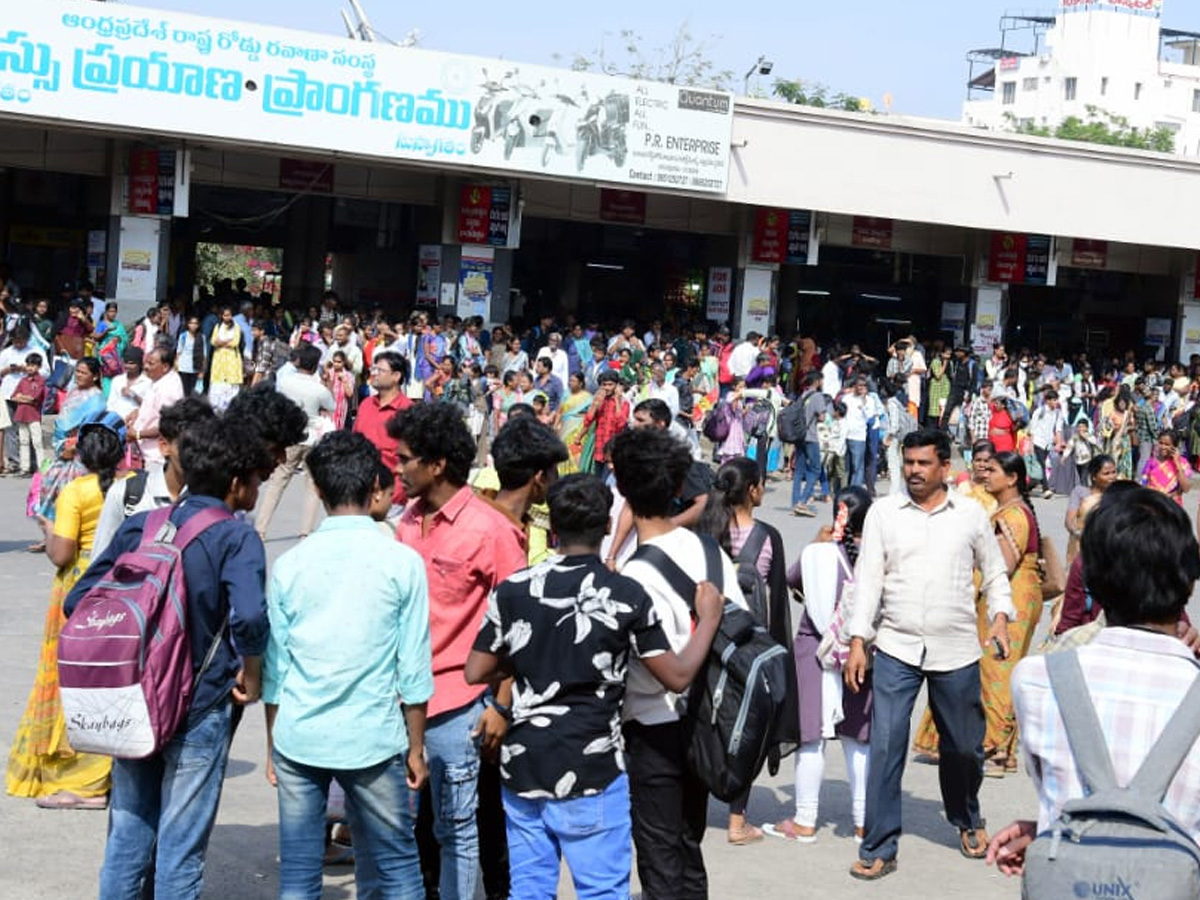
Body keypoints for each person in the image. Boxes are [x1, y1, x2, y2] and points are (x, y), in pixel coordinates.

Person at [464, 473, 723, 900]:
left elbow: (476, 670)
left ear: (552, 527)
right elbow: (677, 676)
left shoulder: (514, 590)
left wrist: (533, 655)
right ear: (606, 526)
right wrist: (709, 619)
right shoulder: (625, 594)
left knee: (528, 889)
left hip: (524, 763)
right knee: (601, 890)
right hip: (592, 766)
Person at [65, 416, 273, 900]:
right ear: (236, 482)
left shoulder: (143, 525)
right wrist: (252, 674)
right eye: (257, 480)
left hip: (133, 699)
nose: (258, 490)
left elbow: (79, 601)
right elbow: (249, 617)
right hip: (200, 702)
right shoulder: (237, 536)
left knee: (127, 834)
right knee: (181, 847)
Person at [987, 487, 1200, 876]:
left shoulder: (1037, 680)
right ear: (1190, 583)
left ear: (1092, 581)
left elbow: (1057, 788)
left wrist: (1053, 830)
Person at [263, 431, 433, 900]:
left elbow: (276, 670)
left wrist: (273, 742)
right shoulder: (402, 562)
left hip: (300, 735)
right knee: (399, 866)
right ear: (375, 486)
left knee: (298, 875)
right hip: (373, 737)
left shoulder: (291, 564)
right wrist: (416, 748)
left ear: (316, 488)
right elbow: (414, 669)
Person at [845, 428, 1015, 880]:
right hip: (895, 646)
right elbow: (868, 580)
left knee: (963, 748)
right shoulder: (884, 513)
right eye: (909, 462)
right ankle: (879, 845)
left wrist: (1000, 617)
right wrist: (858, 640)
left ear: (945, 467)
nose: (914, 471)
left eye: (924, 463)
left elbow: (994, 573)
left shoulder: (971, 514)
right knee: (886, 744)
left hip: (955, 648)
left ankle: (966, 816)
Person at [389, 402, 528, 900]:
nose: (397, 468)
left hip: (459, 706)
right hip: (400, 702)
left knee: (457, 830)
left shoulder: (491, 530)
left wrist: (500, 705)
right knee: (404, 830)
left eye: (405, 459)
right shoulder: (405, 522)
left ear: (437, 465)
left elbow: (519, 627)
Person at [612, 426, 749, 900]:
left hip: (653, 727)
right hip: (707, 721)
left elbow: (653, 667)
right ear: (677, 487)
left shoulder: (634, 575)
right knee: (688, 843)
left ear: (621, 487)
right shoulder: (711, 552)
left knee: (659, 854)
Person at [6, 410, 126, 808]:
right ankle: (113, 770)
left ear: (83, 455)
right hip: (123, 587)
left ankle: (80, 778)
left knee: (72, 677)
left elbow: (61, 554)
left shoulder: (76, 491)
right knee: (112, 676)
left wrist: (47, 530)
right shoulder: (132, 486)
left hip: (79, 587)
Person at [765, 486, 873, 843]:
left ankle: (805, 820)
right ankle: (863, 822)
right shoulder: (876, 556)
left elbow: (791, 580)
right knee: (858, 739)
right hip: (859, 653)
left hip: (814, 650)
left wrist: (816, 541)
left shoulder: (817, 553)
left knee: (812, 737)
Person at [697, 457, 795, 845]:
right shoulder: (767, 537)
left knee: (703, 719)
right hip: (748, 647)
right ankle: (737, 823)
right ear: (753, 490)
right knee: (746, 726)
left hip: (706, 642)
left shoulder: (705, 531)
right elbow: (778, 600)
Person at [91, 396, 216, 560]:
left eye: (204, 448)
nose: (196, 456)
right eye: (188, 447)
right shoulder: (126, 495)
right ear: (164, 446)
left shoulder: (213, 504)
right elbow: (100, 563)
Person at [253, 343, 334, 541]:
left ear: (298, 362)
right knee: (312, 484)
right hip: (312, 437)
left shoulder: (285, 382)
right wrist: (328, 382)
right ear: (315, 366)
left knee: (277, 482)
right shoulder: (319, 389)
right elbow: (330, 405)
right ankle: (305, 531)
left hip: (289, 436)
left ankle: (261, 528)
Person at [353, 350, 411, 517]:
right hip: (360, 493)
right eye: (374, 369)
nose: (375, 374)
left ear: (396, 376)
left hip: (392, 498)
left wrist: (399, 492)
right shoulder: (366, 405)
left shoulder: (407, 411)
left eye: (380, 370)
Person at [128, 345, 185, 472]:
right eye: (146, 362)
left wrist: (137, 435)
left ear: (165, 367)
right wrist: (138, 412)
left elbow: (167, 426)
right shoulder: (159, 379)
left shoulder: (169, 389)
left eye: (151, 364)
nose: (145, 367)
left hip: (156, 457)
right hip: (147, 452)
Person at [1064, 454, 1116, 564]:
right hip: (1081, 548)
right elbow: (1069, 520)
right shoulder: (1080, 493)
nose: (1112, 477)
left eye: (1113, 472)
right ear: (1094, 477)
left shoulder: (1117, 495)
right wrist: (1077, 533)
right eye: (1106, 474)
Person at [790, 371, 829, 517]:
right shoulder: (818, 396)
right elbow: (822, 417)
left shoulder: (803, 395)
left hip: (799, 436)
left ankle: (795, 503)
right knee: (816, 469)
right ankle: (803, 501)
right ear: (817, 381)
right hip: (811, 437)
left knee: (799, 471)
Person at [579, 369, 628, 483]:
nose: (607, 388)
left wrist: (617, 400)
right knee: (597, 480)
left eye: (610, 385)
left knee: (608, 481)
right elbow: (588, 420)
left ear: (617, 385)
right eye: (604, 385)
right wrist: (595, 405)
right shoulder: (600, 400)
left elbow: (620, 424)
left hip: (613, 450)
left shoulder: (623, 403)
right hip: (599, 448)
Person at [10, 352, 48, 477]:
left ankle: (42, 468)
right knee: (23, 442)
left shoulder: (41, 381)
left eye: (33, 365)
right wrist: (24, 398)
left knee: (37, 442)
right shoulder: (23, 381)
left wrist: (22, 397)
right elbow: (13, 396)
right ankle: (24, 468)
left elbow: (34, 398)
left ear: (39, 367)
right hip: (21, 414)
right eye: (28, 365)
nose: (30, 368)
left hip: (34, 415)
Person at [1139, 429, 1193, 506]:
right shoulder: (1152, 461)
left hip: (1172, 505)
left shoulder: (1183, 463)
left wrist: (1177, 463)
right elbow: (1143, 484)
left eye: (1167, 444)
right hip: (1153, 504)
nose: (1163, 447)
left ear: (1175, 446)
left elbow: (1186, 488)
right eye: (1161, 443)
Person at [208, 306, 244, 412]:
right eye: (225, 315)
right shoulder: (218, 326)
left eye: (229, 315)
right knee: (218, 382)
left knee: (231, 383)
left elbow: (235, 342)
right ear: (221, 316)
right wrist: (226, 341)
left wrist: (221, 342)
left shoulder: (236, 327)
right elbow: (213, 341)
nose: (227, 317)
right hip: (219, 358)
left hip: (232, 358)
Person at [557, 371, 593, 472]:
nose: (570, 383)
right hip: (564, 428)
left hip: (578, 429)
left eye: (573, 381)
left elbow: (590, 415)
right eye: (570, 381)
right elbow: (560, 411)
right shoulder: (566, 394)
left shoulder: (588, 397)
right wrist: (556, 425)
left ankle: (578, 473)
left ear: (580, 383)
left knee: (575, 451)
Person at [175, 315, 206, 396]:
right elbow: (178, 353)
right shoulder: (183, 336)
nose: (193, 325)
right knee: (184, 391)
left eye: (195, 323)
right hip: (183, 367)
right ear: (188, 324)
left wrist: (202, 371)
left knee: (193, 392)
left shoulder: (201, 337)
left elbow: (204, 356)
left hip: (196, 367)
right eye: (191, 323)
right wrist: (176, 367)